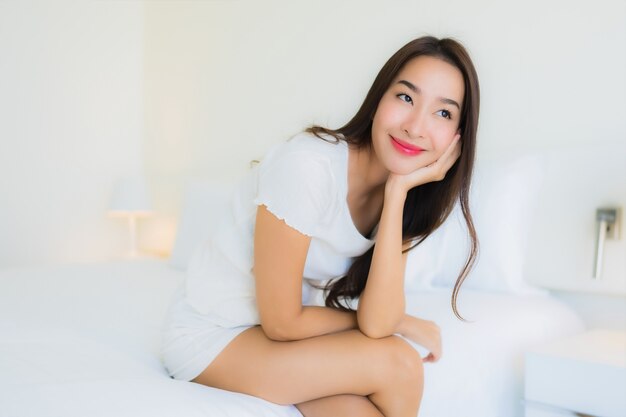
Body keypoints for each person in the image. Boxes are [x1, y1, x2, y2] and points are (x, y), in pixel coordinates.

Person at [161, 35, 480, 417]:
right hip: (215, 335)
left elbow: (378, 322)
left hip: (277, 342)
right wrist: (405, 323)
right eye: (406, 98)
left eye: (443, 113)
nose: (415, 127)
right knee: (400, 362)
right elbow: (283, 322)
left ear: (457, 139)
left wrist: (397, 193)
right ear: (379, 99)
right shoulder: (308, 167)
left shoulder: (408, 195)